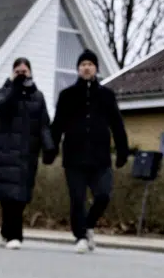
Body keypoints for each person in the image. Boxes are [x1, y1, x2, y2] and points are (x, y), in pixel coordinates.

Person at [51, 49, 129, 253]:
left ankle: (88, 225)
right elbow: (57, 124)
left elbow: (117, 124)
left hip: (100, 158)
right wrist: (51, 148)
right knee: (77, 199)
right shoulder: (67, 95)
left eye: (90, 64)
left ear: (96, 69)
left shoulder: (106, 95)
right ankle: (80, 237)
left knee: (103, 195)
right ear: (78, 69)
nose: (86, 68)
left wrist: (122, 150)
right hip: (74, 157)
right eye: (83, 64)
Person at [0, 58, 54, 250]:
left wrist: (49, 147)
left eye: (24, 71)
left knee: (21, 195)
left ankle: (5, 232)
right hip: (7, 152)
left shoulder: (38, 97)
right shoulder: (5, 92)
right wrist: (14, 86)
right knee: (8, 197)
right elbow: (2, 105)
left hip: (28, 153)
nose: (21, 74)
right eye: (18, 71)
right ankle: (15, 235)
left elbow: (44, 124)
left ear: (31, 72)